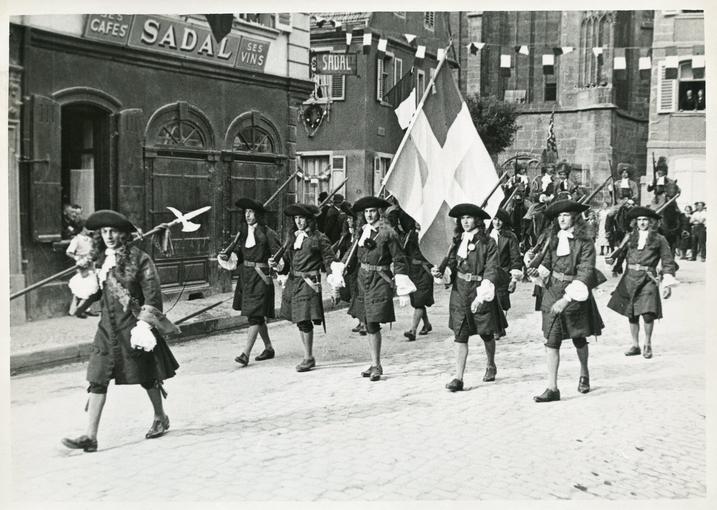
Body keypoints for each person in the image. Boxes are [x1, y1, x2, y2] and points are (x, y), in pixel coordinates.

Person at [62, 210, 180, 452]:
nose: (109, 236)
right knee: (97, 378)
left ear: (124, 234)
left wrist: (145, 326)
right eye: (104, 232)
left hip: (132, 327)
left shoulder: (140, 259)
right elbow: (96, 292)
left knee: (146, 375)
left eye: (114, 231)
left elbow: (153, 295)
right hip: (106, 329)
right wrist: (85, 273)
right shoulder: (101, 260)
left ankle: (160, 416)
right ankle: (90, 436)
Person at [525, 199, 604, 403]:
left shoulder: (585, 242)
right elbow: (548, 265)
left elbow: (585, 273)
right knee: (551, 341)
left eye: (566, 215)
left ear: (575, 218)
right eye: (559, 216)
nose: (561, 219)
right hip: (552, 291)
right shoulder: (553, 239)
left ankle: (584, 372)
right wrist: (537, 272)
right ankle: (552, 388)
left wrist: (567, 298)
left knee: (578, 338)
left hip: (574, 294)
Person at [335, 196, 415, 382]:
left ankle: (377, 364)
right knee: (367, 322)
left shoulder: (388, 233)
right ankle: (373, 363)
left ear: (379, 212)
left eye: (372, 211)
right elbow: (353, 253)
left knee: (373, 322)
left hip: (380, 280)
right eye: (366, 212)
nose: (369, 215)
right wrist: (341, 267)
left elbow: (399, 259)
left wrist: (402, 284)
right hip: (363, 279)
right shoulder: (362, 232)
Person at [431, 203, 508, 391]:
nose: (465, 221)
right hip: (459, 290)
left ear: (477, 220)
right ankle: (458, 377)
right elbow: (451, 265)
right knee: (460, 333)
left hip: (479, 289)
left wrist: (481, 296)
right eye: (462, 218)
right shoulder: (457, 241)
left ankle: (490, 363)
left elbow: (491, 270)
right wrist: (441, 273)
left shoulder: (488, 243)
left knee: (486, 332)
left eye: (469, 218)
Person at [271, 203, 338, 372]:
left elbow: (329, 260)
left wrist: (334, 282)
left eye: (302, 218)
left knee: (304, 319)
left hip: (309, 282)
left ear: (309, 219)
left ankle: (308, 357)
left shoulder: (319, 238)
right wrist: (277, 264)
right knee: (300, 320)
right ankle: (307, 356)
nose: (299, 221)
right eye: (296, 218)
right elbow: (287, 260)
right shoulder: (293, 237)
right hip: (294, 281)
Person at [606, 206, 679, 359]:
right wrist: (613, 261)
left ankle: (647, 343)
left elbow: (668, 262)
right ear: (635, 222)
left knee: (647, 314)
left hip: (648, 278)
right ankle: (635, 345)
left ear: (651, 222)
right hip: (630, 278)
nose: (642, 223)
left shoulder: (660, 239)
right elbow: (621, 254)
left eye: (645, 220)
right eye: (639, 220)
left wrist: (667, 284)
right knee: (631, 314)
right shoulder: (630, 237)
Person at [218, 198, 280, 366]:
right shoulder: (243, 232)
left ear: (258, 214)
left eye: (251, 212)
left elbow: (279, 255)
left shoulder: (268, 233)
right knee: (256, 316)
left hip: (260, 278)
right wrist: (228, 256)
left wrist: (277, 267)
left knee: (255, 316)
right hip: (246, 278)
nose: (248, 215)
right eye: (245, 212)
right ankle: (268, 347)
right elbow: (239, 254)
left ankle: (245, 354)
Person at [387, 207, 434, 342]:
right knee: (417, 300)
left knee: (420, 300)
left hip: (425, 270)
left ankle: (413, 330)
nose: (419, 223)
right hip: (412, 271)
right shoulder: (409, 235)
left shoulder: (431, 235)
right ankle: (426, 324)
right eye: (417, 220)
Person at [490, 209, 523, 318]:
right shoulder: (487, 235)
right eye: (495, 219)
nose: (497, 223)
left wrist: (514, 280)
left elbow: (515, 259)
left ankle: (498, 332)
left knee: (501, 305)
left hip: (502, 276)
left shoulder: (510, 236)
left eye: (500, 220)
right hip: (488, 275)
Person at [66, 220, 99, 318]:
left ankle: (86, 308)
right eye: (87, 227)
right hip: (82, 264)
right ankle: (76, 310)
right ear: (83, 228)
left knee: (91, 286)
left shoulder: (89, 239)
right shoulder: (76, 239)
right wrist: (77, 258)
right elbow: (69, 251)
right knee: (82, 287)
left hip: (90, 263)